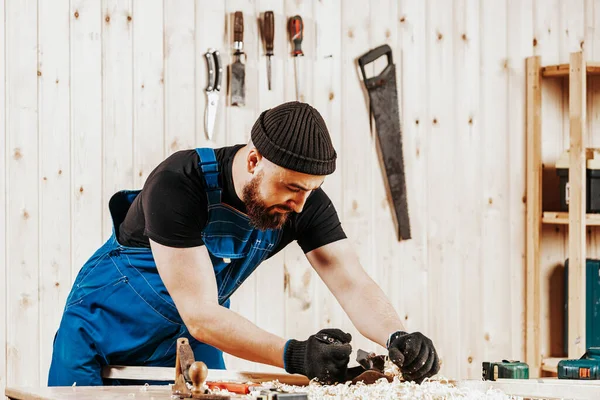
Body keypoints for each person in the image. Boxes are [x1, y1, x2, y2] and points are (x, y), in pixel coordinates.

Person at [48, 101, 439, 386]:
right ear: (255, 161)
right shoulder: (178, 185)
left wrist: (396, 337)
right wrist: (296, 355)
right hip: (100, 335)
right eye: (291, 187)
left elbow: (351, 280)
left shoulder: (301, 201)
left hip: (185, 340)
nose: (300, 204)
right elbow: (202, 314)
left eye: (311, 190)